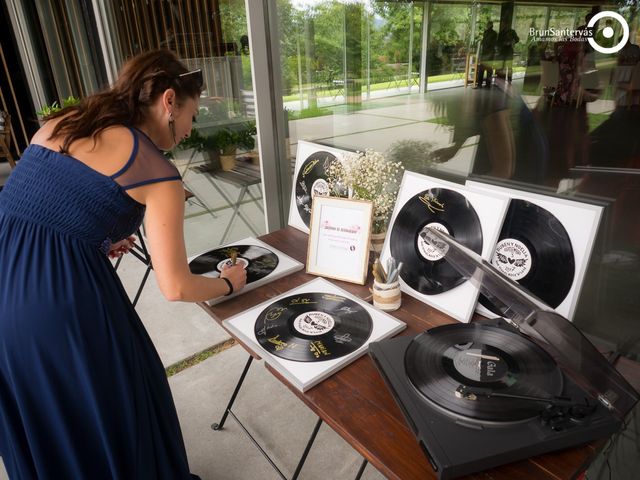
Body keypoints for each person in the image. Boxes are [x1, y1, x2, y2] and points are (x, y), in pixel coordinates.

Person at [0, 49, 247, 479]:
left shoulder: (64, 122)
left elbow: (42, 203)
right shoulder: (157, 173)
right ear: (169, 101)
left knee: (42, 410)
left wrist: (91, 234)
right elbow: (176, 287)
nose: (191, 129)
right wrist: (229, 284)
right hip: (59, 306)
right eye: (192, 115)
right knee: (120, 398)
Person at [496, 18, 520, 83]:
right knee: (501, 66)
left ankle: (509, 80)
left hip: (509, 51)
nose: (503, 25)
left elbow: (517, 39)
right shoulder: (501, 33)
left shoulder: (512, 32)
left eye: (503, 24)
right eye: (502, 24)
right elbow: (498, 42)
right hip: (502, 51)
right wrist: (502, 44)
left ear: (507, 24)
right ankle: (501, 79)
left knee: (509, 66)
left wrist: (512, 42)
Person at [477, 21, 497, 88]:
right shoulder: (485, 32)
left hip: (489, 54)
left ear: (491, 25)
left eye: (488, 24)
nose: (487, 25)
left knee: (488, 70)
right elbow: (484, 41)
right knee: (481, 69)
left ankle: (487, 85)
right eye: (487, 24)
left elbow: (493, 44)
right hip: (484, 53)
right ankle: (479, 84)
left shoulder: (494, 34)